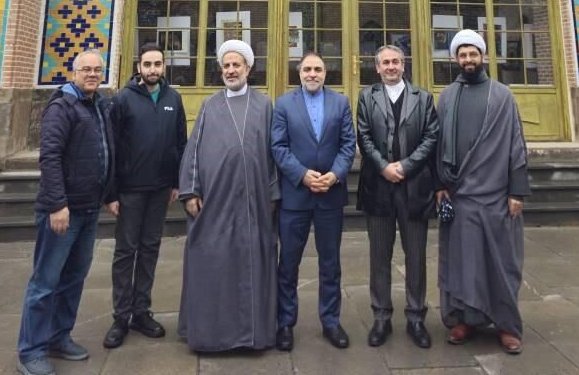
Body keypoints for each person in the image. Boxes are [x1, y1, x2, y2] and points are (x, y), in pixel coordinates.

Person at [176, 39, 281, 352]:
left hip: (254, 201)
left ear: (248, 68)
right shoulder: (209, 105)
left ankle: (253, 335)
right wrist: (191, 191)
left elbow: (273, 152)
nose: (231, 70)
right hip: (215, 201)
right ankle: (211, 335)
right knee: (213, 261)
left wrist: (273, 193)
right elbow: (193, 150)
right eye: (227, 66)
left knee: (252, 262)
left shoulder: (264, 104)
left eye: (237, 65)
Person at [17, 49, 116, 375]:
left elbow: (104, 151)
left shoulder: (98, 105)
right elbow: (50, 157)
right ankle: (31, 351)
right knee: (45, 282)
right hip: (64, 211)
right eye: (86, 69)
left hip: (89, 209)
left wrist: (109, 195)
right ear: (73, 73)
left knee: (73, 278)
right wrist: (58, 205)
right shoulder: (62, 107)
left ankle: (59, 336)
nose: (92, 74)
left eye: (97, 69)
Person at [434, 29, 530, 355]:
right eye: (462, 55)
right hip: (460, 195)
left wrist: (517, 191)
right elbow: (437, 145)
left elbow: (516, 145)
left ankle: (506, 326)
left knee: (500, 263)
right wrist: (440, 185)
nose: (468, 59)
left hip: (496, 195)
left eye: (473, 54)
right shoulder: (447, 96)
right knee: (463, 263)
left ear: (483, 56)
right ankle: (465, 320)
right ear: (455, 59)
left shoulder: (502, 95)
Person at [103, 43, 187, 349]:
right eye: (147, 64)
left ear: (164, 66)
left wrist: (177, 181)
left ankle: (141, 311)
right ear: (139, 67)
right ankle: (120, 316)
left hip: (160, 189)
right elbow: (112, 147)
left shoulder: (173, 98)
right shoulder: (123, 99)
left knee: (150, 249)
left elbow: (180, 142)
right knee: (126, 251)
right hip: (130, 190)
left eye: (158, 64)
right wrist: (111, 193)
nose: (153, 69)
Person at [271, 52, 356, 351]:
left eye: (317, 69)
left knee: (330, 263)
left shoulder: (340, 103)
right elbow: (278, 146)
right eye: (307, 69)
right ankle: (285, 323)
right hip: (295, 196)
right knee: (288, 264)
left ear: (325, 73)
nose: (312, 74)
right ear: (299, 73)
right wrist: (302, 175)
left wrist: (335, 175)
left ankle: (331, 321)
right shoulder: (284, 104)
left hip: (330, 196)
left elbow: (348, 144)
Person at [356, 45, 439, 349]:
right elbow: (363, 136)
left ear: (404, 65)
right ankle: (381, 317)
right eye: (385, 63)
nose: (391, 66)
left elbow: (431, 136)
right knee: (379, 256)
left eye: (395, 62)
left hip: (414, 187)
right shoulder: (367, 97)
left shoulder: (423, 98)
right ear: (377, 67)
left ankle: (416, 317)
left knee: (415, 256)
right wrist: (383, 167)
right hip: (378, 187)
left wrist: (405, 166)